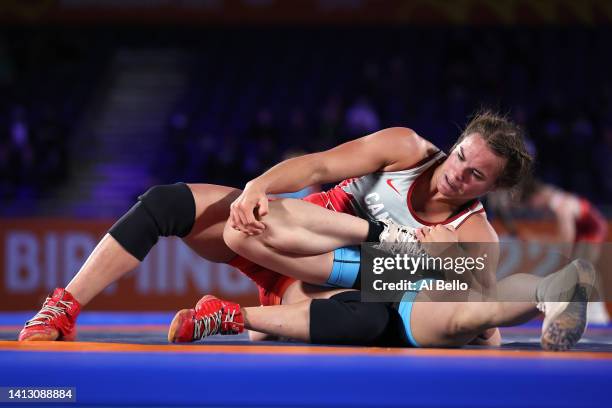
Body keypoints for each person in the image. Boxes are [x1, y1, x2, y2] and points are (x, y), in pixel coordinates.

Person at [24, 111, 580, 350]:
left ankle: (230, 315)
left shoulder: (475, 235)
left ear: (491, 187)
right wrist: (256, 186)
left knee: (370, 311)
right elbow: (316, 167)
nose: (457, 173)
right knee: (168, 203)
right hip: (291, 232)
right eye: (461, 155)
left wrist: (443, 274)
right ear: (456, 142)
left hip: (319, 283)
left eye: (475, 174)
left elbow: (472, 310)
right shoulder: (406, 148)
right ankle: (64, 305)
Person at [488, 178, 609, 323]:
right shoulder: (552, 199)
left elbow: (565, 241)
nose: (533, 209)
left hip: (593, 228)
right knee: (580, 269)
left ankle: (595, 313)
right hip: (582, 228)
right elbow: (559, 239)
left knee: (581, 268)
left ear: (537, 197)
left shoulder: (562, 206)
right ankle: (591, 310)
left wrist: (566, 263)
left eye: (532, 204)